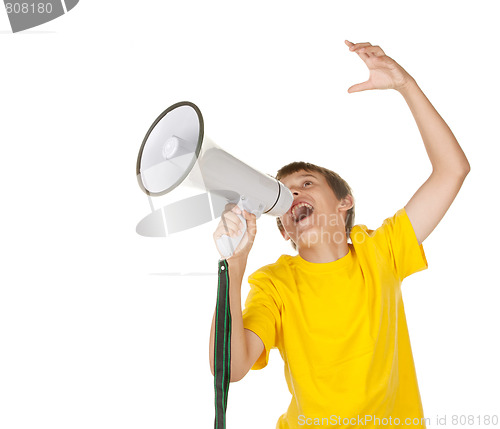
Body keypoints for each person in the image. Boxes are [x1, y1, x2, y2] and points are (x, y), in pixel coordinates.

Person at [209, 40, 470, 428]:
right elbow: (230, 369)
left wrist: (405, 85)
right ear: (283, 228)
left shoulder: (380, 251)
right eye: (282, 195)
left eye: (306, 184)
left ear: (344, 201)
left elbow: (453, 170)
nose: (293, 194)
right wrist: (234, 266)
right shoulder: (275, 285)